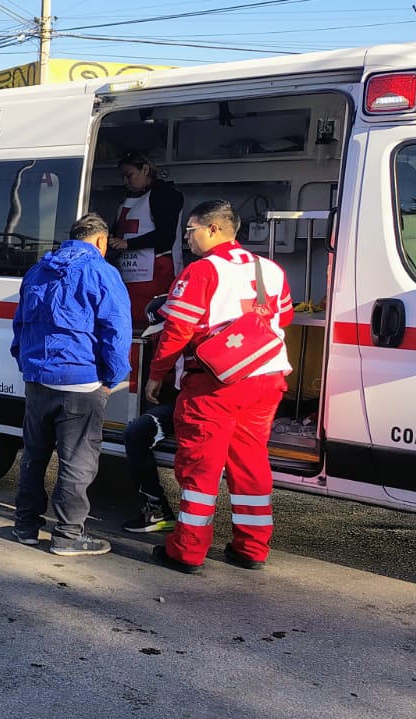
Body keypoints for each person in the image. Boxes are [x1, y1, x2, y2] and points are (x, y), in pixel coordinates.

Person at [144, 200, 294, 573]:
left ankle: (187, 551)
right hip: (267, 377)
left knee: (201, 467)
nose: (187, 239)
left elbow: (177, 330)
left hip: (214, 384)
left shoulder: (202, 271)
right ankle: (252, 548)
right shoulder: (270, 269)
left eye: (190, 231)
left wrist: (157, 374)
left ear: (213, 229)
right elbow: (285, 316)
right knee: (251, 463)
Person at [10, 212, 132, 556]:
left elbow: (20, 324)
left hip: (37, 379)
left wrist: (27, 365)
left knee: (34, 455)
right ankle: (67, 536)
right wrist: (112, 377)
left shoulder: (38, 270)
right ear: (101, 241)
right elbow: (117, 331)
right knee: (77, 462)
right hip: (80, 382)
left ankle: (25, 527)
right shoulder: (102, 272)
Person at [121, 295, 179, 534]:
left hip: (196, 405)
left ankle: (157, 509)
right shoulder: (162, 338)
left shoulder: (193, 338)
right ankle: (157, 510)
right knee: (136, 432)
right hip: (180, 404)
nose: (159, 336)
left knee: (137, 434)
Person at [110, 153, 185, 331]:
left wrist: (127, 244)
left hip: (156, 272)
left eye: (129, 175)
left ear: (145, 170)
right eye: (122, 177)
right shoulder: (127, 198)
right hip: (129, 274)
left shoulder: (165, 194)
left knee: (150, 324)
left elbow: (166, 236)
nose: (125, 182)